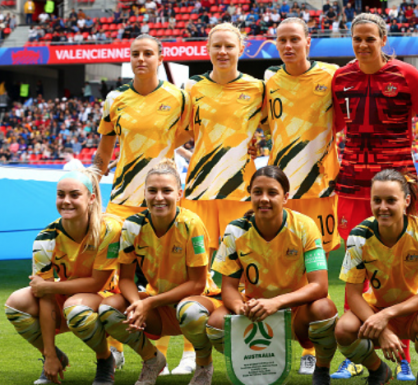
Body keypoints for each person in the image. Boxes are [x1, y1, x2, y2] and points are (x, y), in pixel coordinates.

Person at [331, 12, 418, 381]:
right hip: (353, 185)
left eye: (370, 38)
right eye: (357, 38)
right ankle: (357, 353)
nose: (363, 44)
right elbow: (335, 126)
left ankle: (403, 356)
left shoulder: (408, 76)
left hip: (397, 184)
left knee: (400, 270)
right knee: (354, 271)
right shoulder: (340, 79)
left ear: (383, 40)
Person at [93, 33, 196, 374]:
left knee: (162, 275)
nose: (141, 59)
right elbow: (104, 154)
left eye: (148, 53)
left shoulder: (180, 98)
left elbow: (193, 134)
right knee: (113, 277)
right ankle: (116, 349)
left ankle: (165, 353)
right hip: (122, 201)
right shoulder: (115, 100)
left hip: (162, 200)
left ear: (159, 57)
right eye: (135, 53)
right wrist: (90, 181)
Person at [206, 166, 339, 385]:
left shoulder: (305, 226)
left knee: (324, 309)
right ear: (250, 195)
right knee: (216, 324)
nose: (264, 199)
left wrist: (275, 303)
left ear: (286, 197)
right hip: (255, 310)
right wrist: (241, 309)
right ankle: (254, 366)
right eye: (257, 192)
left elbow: (320, 286)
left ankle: (321, 369)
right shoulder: (235, 230)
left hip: (297, 311)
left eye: (272, 193)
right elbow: (228, 287)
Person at [262, 17, 342, 375]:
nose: (288, 46)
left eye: (295, 39)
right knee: (286, 264)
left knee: (316, 273)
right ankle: (283, 344)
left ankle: (314, 349)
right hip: (281, 192)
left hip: (321, 190)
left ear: (309, 41)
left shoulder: (331, 76)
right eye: (282, 40)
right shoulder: (269, 83)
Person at [99, 160, 221, 385]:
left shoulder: (191, 224)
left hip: (200, 301)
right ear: (143, 193)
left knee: (191, 312)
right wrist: (138, 303)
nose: (159, 197)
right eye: (152, 190)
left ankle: (203, 364)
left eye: (167, 190)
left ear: (179, 194)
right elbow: (125, 278)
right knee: (108, 309)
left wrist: (149, 303)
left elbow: (197, 283)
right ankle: (152, 359)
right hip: (158, 304)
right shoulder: (132, 226)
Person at [4, 168, 122, 385]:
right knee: (15, 303)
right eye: (61, 195)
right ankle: (55, 357)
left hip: (108, 297)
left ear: (91, 198)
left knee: (75, 308)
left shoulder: (110, 228)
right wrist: (48, 353)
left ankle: (106, 359)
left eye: (74, 195)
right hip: (69, 295)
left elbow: (98, 282)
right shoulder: (46, 238)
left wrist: (50, 288)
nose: (66, 201)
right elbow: (44, 295)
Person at [335, 169, 418, 385]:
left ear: (406, 201)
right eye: (376, 200)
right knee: (343, 329)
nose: (382, 207)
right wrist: (383, 327)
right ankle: (379, 371)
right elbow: (354, 295)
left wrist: (385, 316)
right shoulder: (359, 236)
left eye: (390, 200)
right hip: (377, 309)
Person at [180, 23, 264, 257]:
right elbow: (181, 131)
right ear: (207, 48)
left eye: (229, 46)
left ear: (241, 48)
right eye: (217, 46)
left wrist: (256, 144)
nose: (223, 51)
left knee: (243, 256)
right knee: (198, 258)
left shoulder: (257, 89)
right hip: (200, 183)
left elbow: (272, 125)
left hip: (241, 186)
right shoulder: (192, 87)